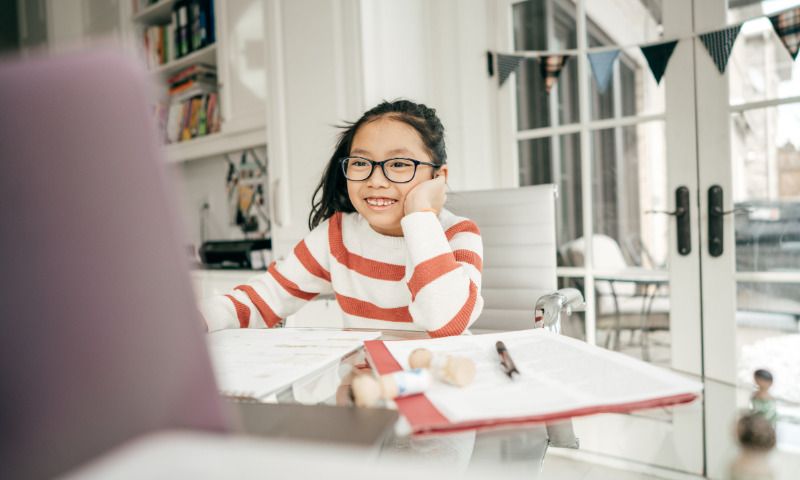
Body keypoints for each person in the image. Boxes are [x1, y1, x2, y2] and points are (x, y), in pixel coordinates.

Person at [201, 100, 484, 337]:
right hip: (364, 390)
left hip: (442, 386)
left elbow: (446, 322)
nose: (375, 180)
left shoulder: (458, 234)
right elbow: (262, 300)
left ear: (438, 177)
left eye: (399, 164)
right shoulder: (336, 237)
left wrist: (420, 214)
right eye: (361, 163)